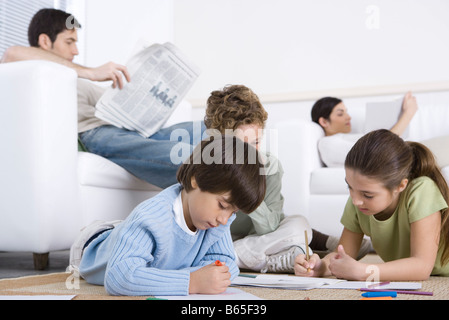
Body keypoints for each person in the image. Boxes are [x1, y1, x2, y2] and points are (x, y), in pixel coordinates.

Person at [1, 8, 204, 188]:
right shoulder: (38, 70)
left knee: (210, 128)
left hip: (129, 128)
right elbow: (11, 54)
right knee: (194, 157)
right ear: (45, 41)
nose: (76, 50)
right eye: (69, 42)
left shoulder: (73, 76)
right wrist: (90, 72)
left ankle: (231, 158)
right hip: (98, 134)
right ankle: (225, 179)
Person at [204, 85, 372, 274]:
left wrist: (248, 191)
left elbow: (268, 228)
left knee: (298, 224)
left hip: (261, 238)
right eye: (242, 146)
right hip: (225, 240)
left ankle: (237, 257)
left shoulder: (269, 168)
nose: (251, 154)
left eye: (256, 143)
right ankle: (289, 256)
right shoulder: (205, 166)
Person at [69, 135, 266, 296]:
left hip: (139, 244)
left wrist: (209, 275)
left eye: (233, 212)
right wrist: (193, 281)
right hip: (91, 246)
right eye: (222, 205)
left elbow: (228, 264)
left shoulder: (217, 220)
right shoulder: (151, 219)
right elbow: (119, 277)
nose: (224, 219)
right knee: (127, 236)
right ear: (195, 180)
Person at [295, 129, 449, 280]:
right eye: (350, 187)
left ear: (400, 186)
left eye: (368, 195)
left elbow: (421, 267)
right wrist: (320, 267)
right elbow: (342, 254)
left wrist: (364, 271)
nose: (356, 200)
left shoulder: (422, 190)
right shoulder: (358, 200)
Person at [311, 92, 418, 167]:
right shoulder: (327, 143)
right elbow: (379, 149)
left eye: (346, 112)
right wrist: (408, 113)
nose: (348, 117)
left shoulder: (345, 137)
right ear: (324, 122)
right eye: (340, 114)